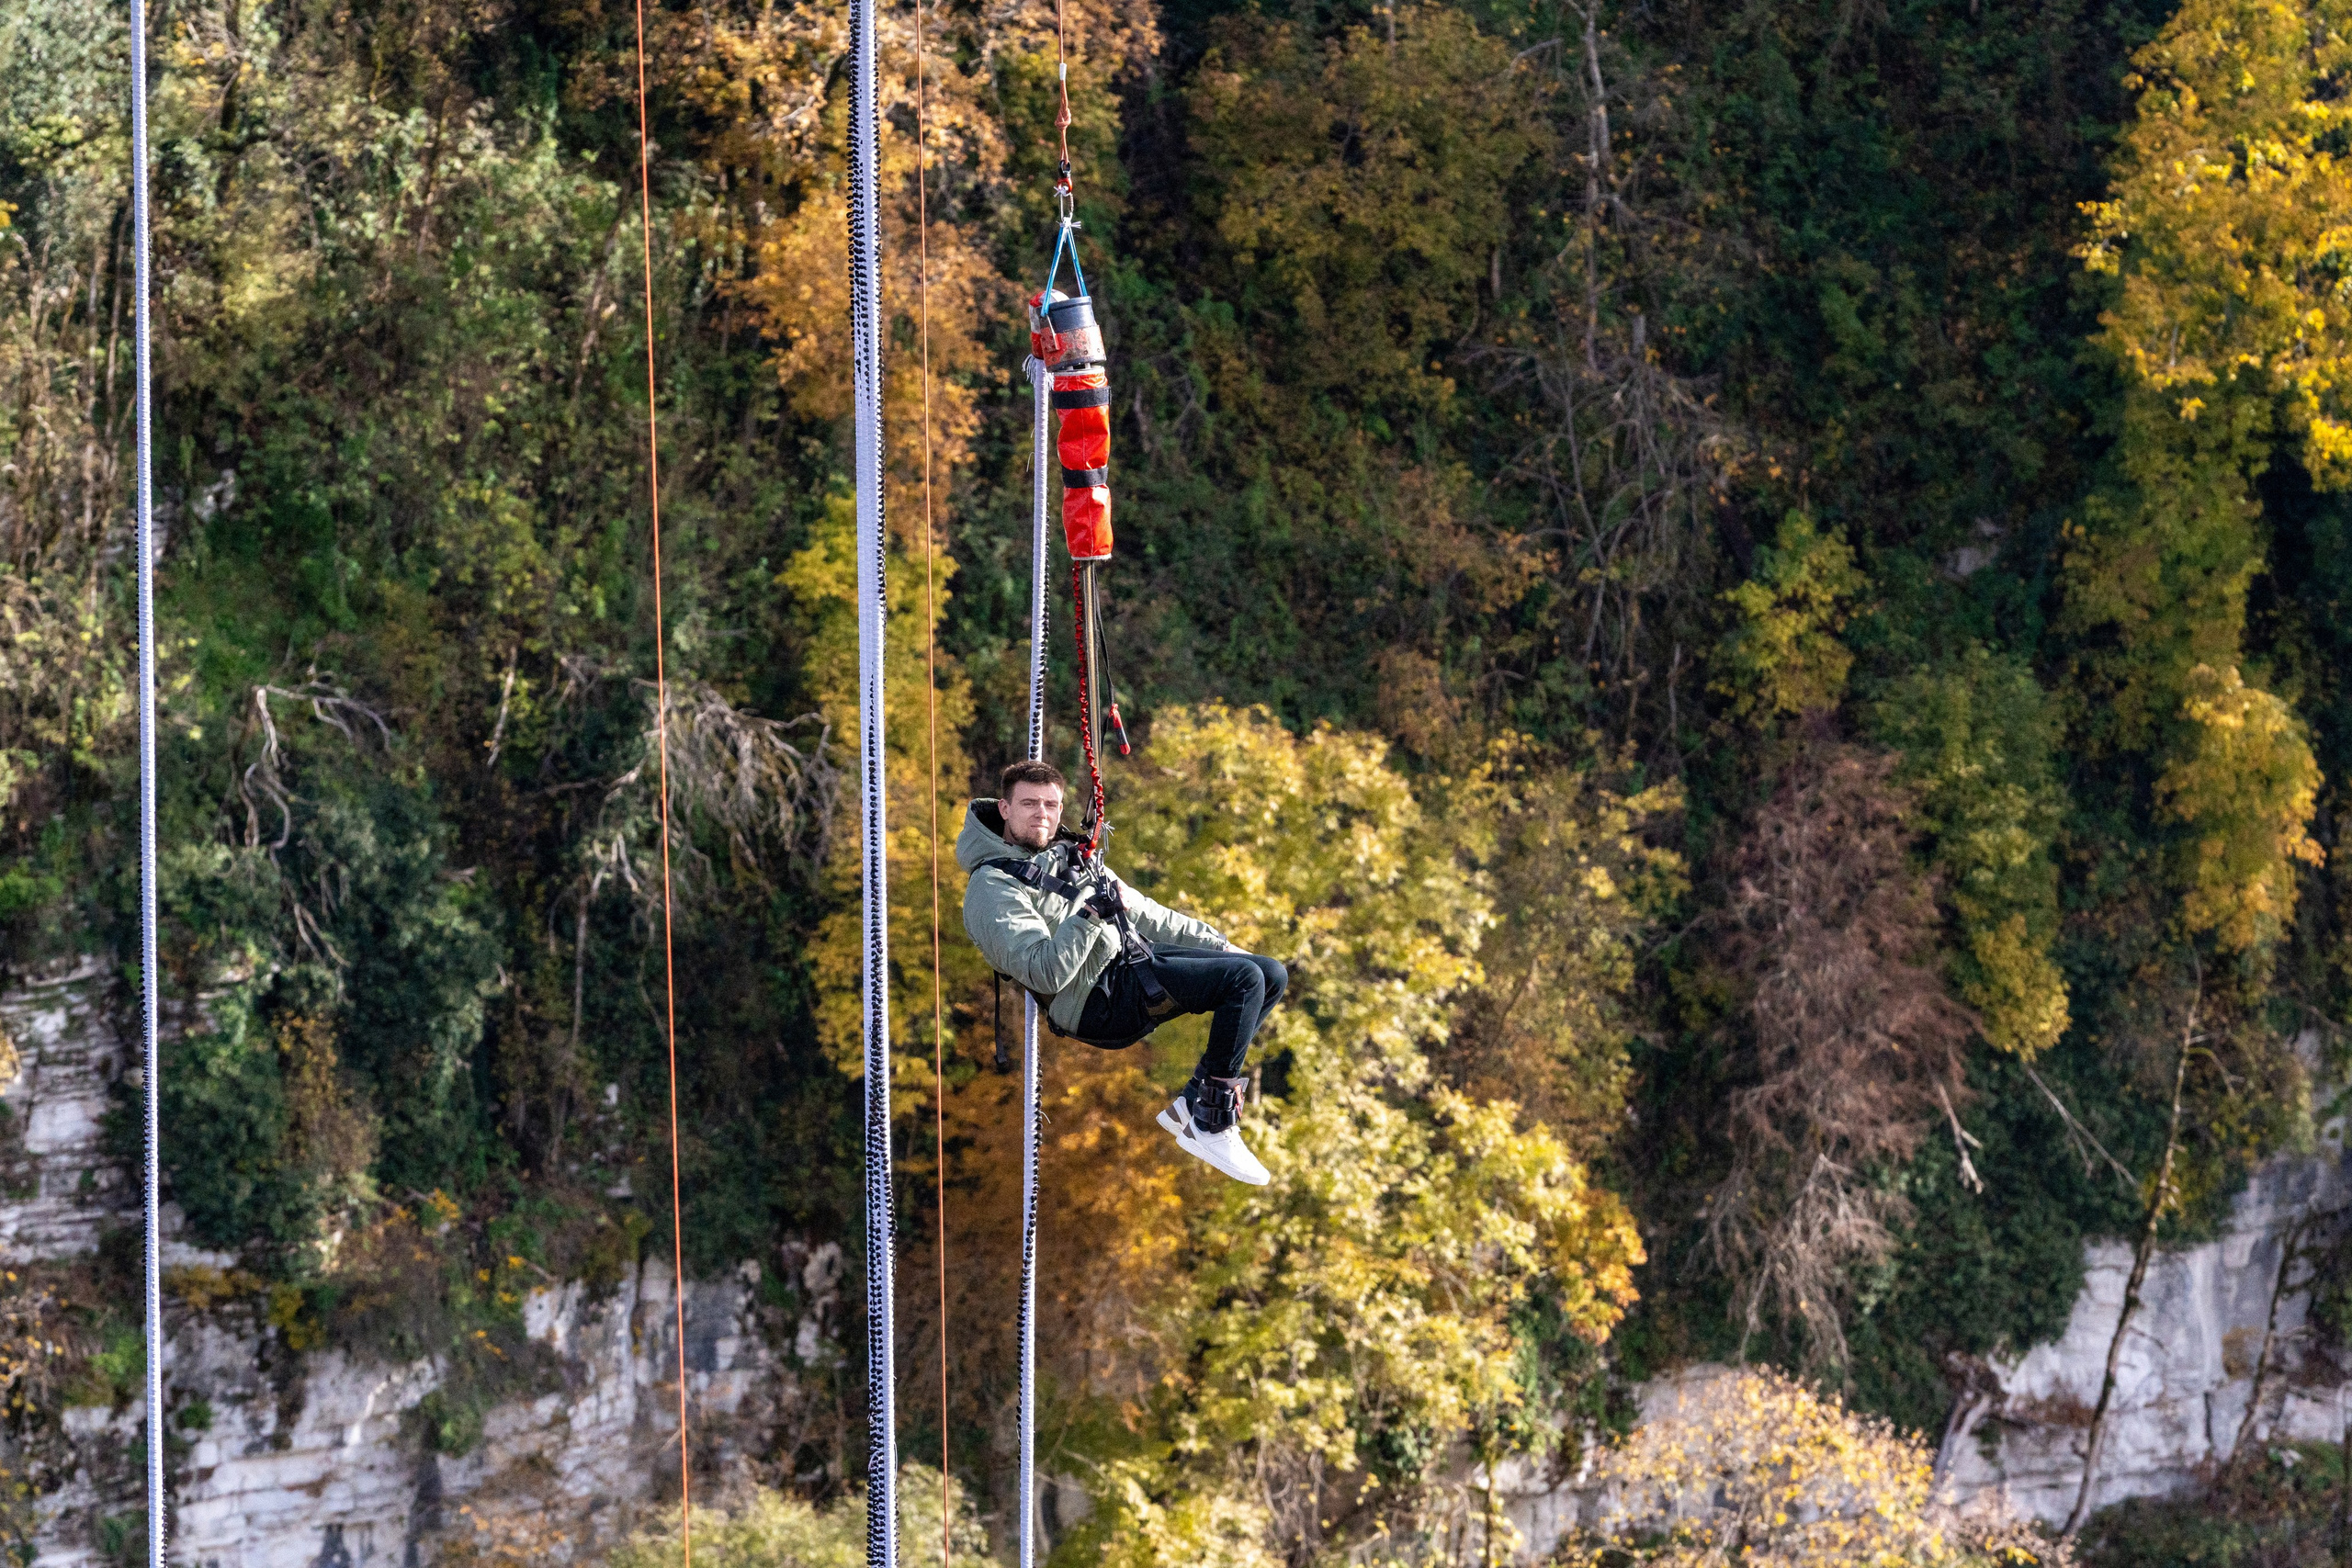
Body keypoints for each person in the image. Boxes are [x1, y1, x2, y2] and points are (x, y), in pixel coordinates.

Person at [956, 759, 1287, 1186]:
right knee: (1242, 982)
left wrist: (1221, 945)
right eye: (1029, 804)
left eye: (1051, 805)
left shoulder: (1069, 856)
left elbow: (1148, 914)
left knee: (1267, 973)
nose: (1042, 814)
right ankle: (1212, 1121)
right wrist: (1090, 916)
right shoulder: (990, 889)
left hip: (1126, 962)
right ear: (1004, 809)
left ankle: (1192, 1102)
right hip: (1093, 1003)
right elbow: (1044, 974)